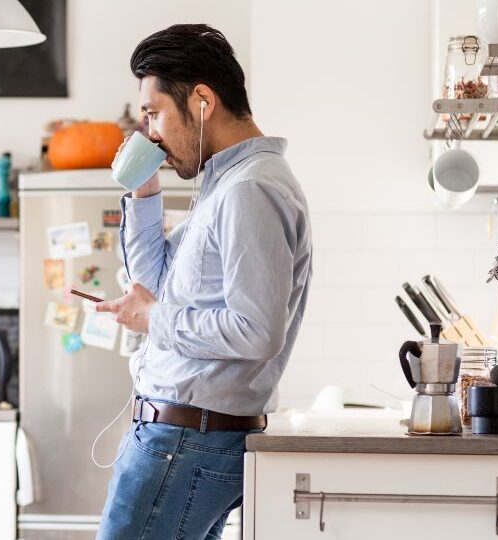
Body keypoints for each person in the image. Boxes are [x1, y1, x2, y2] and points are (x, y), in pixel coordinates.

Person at [94, 24, 313, 539]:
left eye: (154, 113)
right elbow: (149, 283)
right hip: (179, 439)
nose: (150, 132)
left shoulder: (250, 191)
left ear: (201, 101)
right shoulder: (223, 188)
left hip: (184, 443)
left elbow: (257, 331)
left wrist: (152, 319)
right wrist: (144, 193)